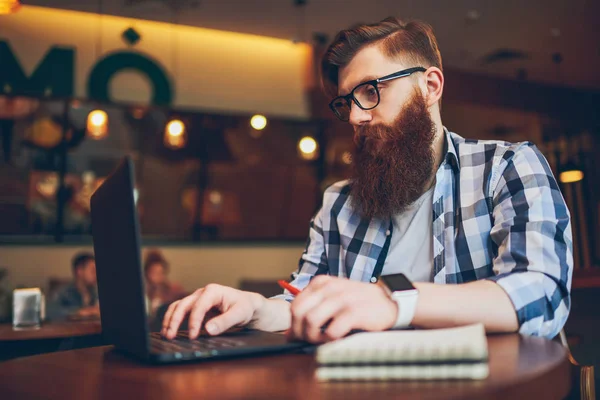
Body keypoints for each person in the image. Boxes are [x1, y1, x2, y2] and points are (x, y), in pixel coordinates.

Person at [162, 17, 573, 343]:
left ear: (429, 86)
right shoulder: (339, 203)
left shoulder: (507, 167)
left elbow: (540, 293)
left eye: (371, 91)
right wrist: (255, 308)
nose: (357, 116)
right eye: (347, 102)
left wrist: (394, 302)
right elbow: (303, 302)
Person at [48, 252, 99, 320]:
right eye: (93, 271)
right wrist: (78, 312)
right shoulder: (64, 292)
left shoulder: (94, 292)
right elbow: (50, 312)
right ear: (79, 271)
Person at [143, 249, 186, 318]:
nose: (158, 276)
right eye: (154, 273)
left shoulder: (174, 290)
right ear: (147, 273)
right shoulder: (144, 292)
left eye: (161, 273)